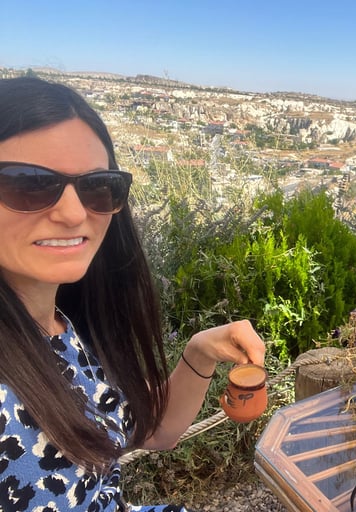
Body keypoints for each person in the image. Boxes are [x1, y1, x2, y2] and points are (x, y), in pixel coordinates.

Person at [0, 76, 266, 511]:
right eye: (29, 184)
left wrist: (199, 354)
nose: (72, 213)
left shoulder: (61, 327)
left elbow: (154, 432)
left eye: (95, 186)